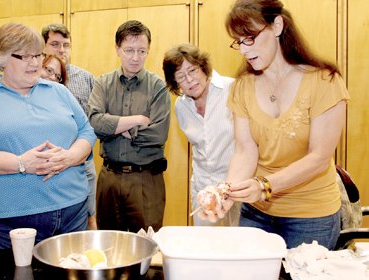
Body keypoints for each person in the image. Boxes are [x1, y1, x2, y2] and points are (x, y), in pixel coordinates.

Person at [198, 0, 349, 250]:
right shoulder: (242, 87)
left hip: (312, 215)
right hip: (257, 212)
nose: (244, 50)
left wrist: (265, 185)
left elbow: (319, 157)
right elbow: (246, 150)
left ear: (277, 25)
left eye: (250, 38)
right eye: (238, 41)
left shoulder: (324, 81)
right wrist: (226, 191)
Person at [0, 22, 97, 250]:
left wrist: (70, 157)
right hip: (7, 224)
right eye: (25, 56)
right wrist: (20, 163)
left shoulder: (59, 91)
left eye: (38, 55)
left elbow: (86, 131)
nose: (35, 63)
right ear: (2, 58)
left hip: (72, 214)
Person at [88, 20, 171, 232]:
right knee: (109, 244)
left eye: (142, 51)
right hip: (109, 178)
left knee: (147, 245)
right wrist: (137, 120)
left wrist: (115, 127)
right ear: (117, 49)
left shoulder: (158, 87)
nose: (136, 57)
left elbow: (158, 135)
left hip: (146, 179)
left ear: (148, 50)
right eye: (129, 50)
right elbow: (94, 123)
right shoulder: (103, 84)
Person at [162, 43, 241, 226]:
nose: (189, 80)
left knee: (239, 247)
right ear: (175, 83)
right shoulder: (181, 107)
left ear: (203, 67)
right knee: (205, 247)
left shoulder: (232, 89)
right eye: (181, 76)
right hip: (203, 188)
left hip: (236, 185)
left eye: (192, 70)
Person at [42, 23, 98, 230]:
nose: (61, 50)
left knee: (88, 215)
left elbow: (94, 118)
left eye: (66, 45)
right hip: (46, 158)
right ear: (43, 46)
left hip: (81, 157)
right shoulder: (35, 77)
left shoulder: (85, 78)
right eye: (55, 44)